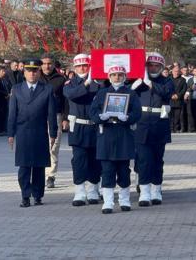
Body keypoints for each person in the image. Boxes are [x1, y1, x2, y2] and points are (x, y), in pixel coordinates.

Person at [90, 65, 142, 214]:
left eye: (120, 75)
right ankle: (108, 202)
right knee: (107, 170)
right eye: (114, 75)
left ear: (125, 77)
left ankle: (124, 200)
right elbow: (93, 111)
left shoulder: (131, 93)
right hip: (106, 134)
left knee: (124, 170)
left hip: (124, 134)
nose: (117, 78)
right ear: (109, 77)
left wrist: (128, 118)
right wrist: (100, 117)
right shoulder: (102, 93)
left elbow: (137, 112)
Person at [7, 58, 57, 208]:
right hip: (22, 132)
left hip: (40, 131)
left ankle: (38, 195)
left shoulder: (46, 89)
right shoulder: (16, 89)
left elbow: (51, 113)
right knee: (24, 166)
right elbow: (12, 113)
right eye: (29, 71)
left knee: (39, 166)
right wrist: (11, 134)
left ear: (39, 72)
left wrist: (53, 133)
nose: (32, 74)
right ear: (24, 72)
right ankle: (25, 196)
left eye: (35, 71)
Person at [132, 52, 174, 206]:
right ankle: (144, 191)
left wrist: (149, 83)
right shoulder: (139, 82)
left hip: (159, 124)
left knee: (157, 160)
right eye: (150, 65)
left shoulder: (167, 81)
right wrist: (133, 86)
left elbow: (166, 92)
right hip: (142, 124)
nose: (153, 67)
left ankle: (156, 190)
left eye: (157, 65)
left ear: (161, 66)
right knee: (143, 160)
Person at [63, 54, 103, 206]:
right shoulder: (70, 83)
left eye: (85, 65)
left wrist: (93, 81)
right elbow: (70, 95)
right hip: (78, 126)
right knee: (79, 160)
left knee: (95, 159)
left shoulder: (99, 83)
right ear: (74, 67)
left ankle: (93, 189)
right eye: (79, 66)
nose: (82, 68)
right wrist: (86, 83)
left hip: (94, 126)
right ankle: (79, 191)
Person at [38, 54, 69, 189]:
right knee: (39, 146)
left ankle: (50, 175)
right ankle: (39, 174)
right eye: (44, 63)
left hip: (55, 116)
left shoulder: (61, 79)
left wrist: (65, 118)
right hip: (38, 116)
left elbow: (66, 100)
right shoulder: (35, 78)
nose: (47, 66)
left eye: (49, 63)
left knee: (53, 147)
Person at [170, 66, 187, 133]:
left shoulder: (183, 80)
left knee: (177, 116)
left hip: (179, 100)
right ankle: (170, 128)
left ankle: (176, 128)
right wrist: (171, 95)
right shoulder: (168, 79)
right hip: (170, 100)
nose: (176, 73)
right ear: (172, 71)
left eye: (177, 71)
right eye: (175, 71)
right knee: (170, 116)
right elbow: (166, 88)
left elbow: (184, 89)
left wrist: (178, 95)